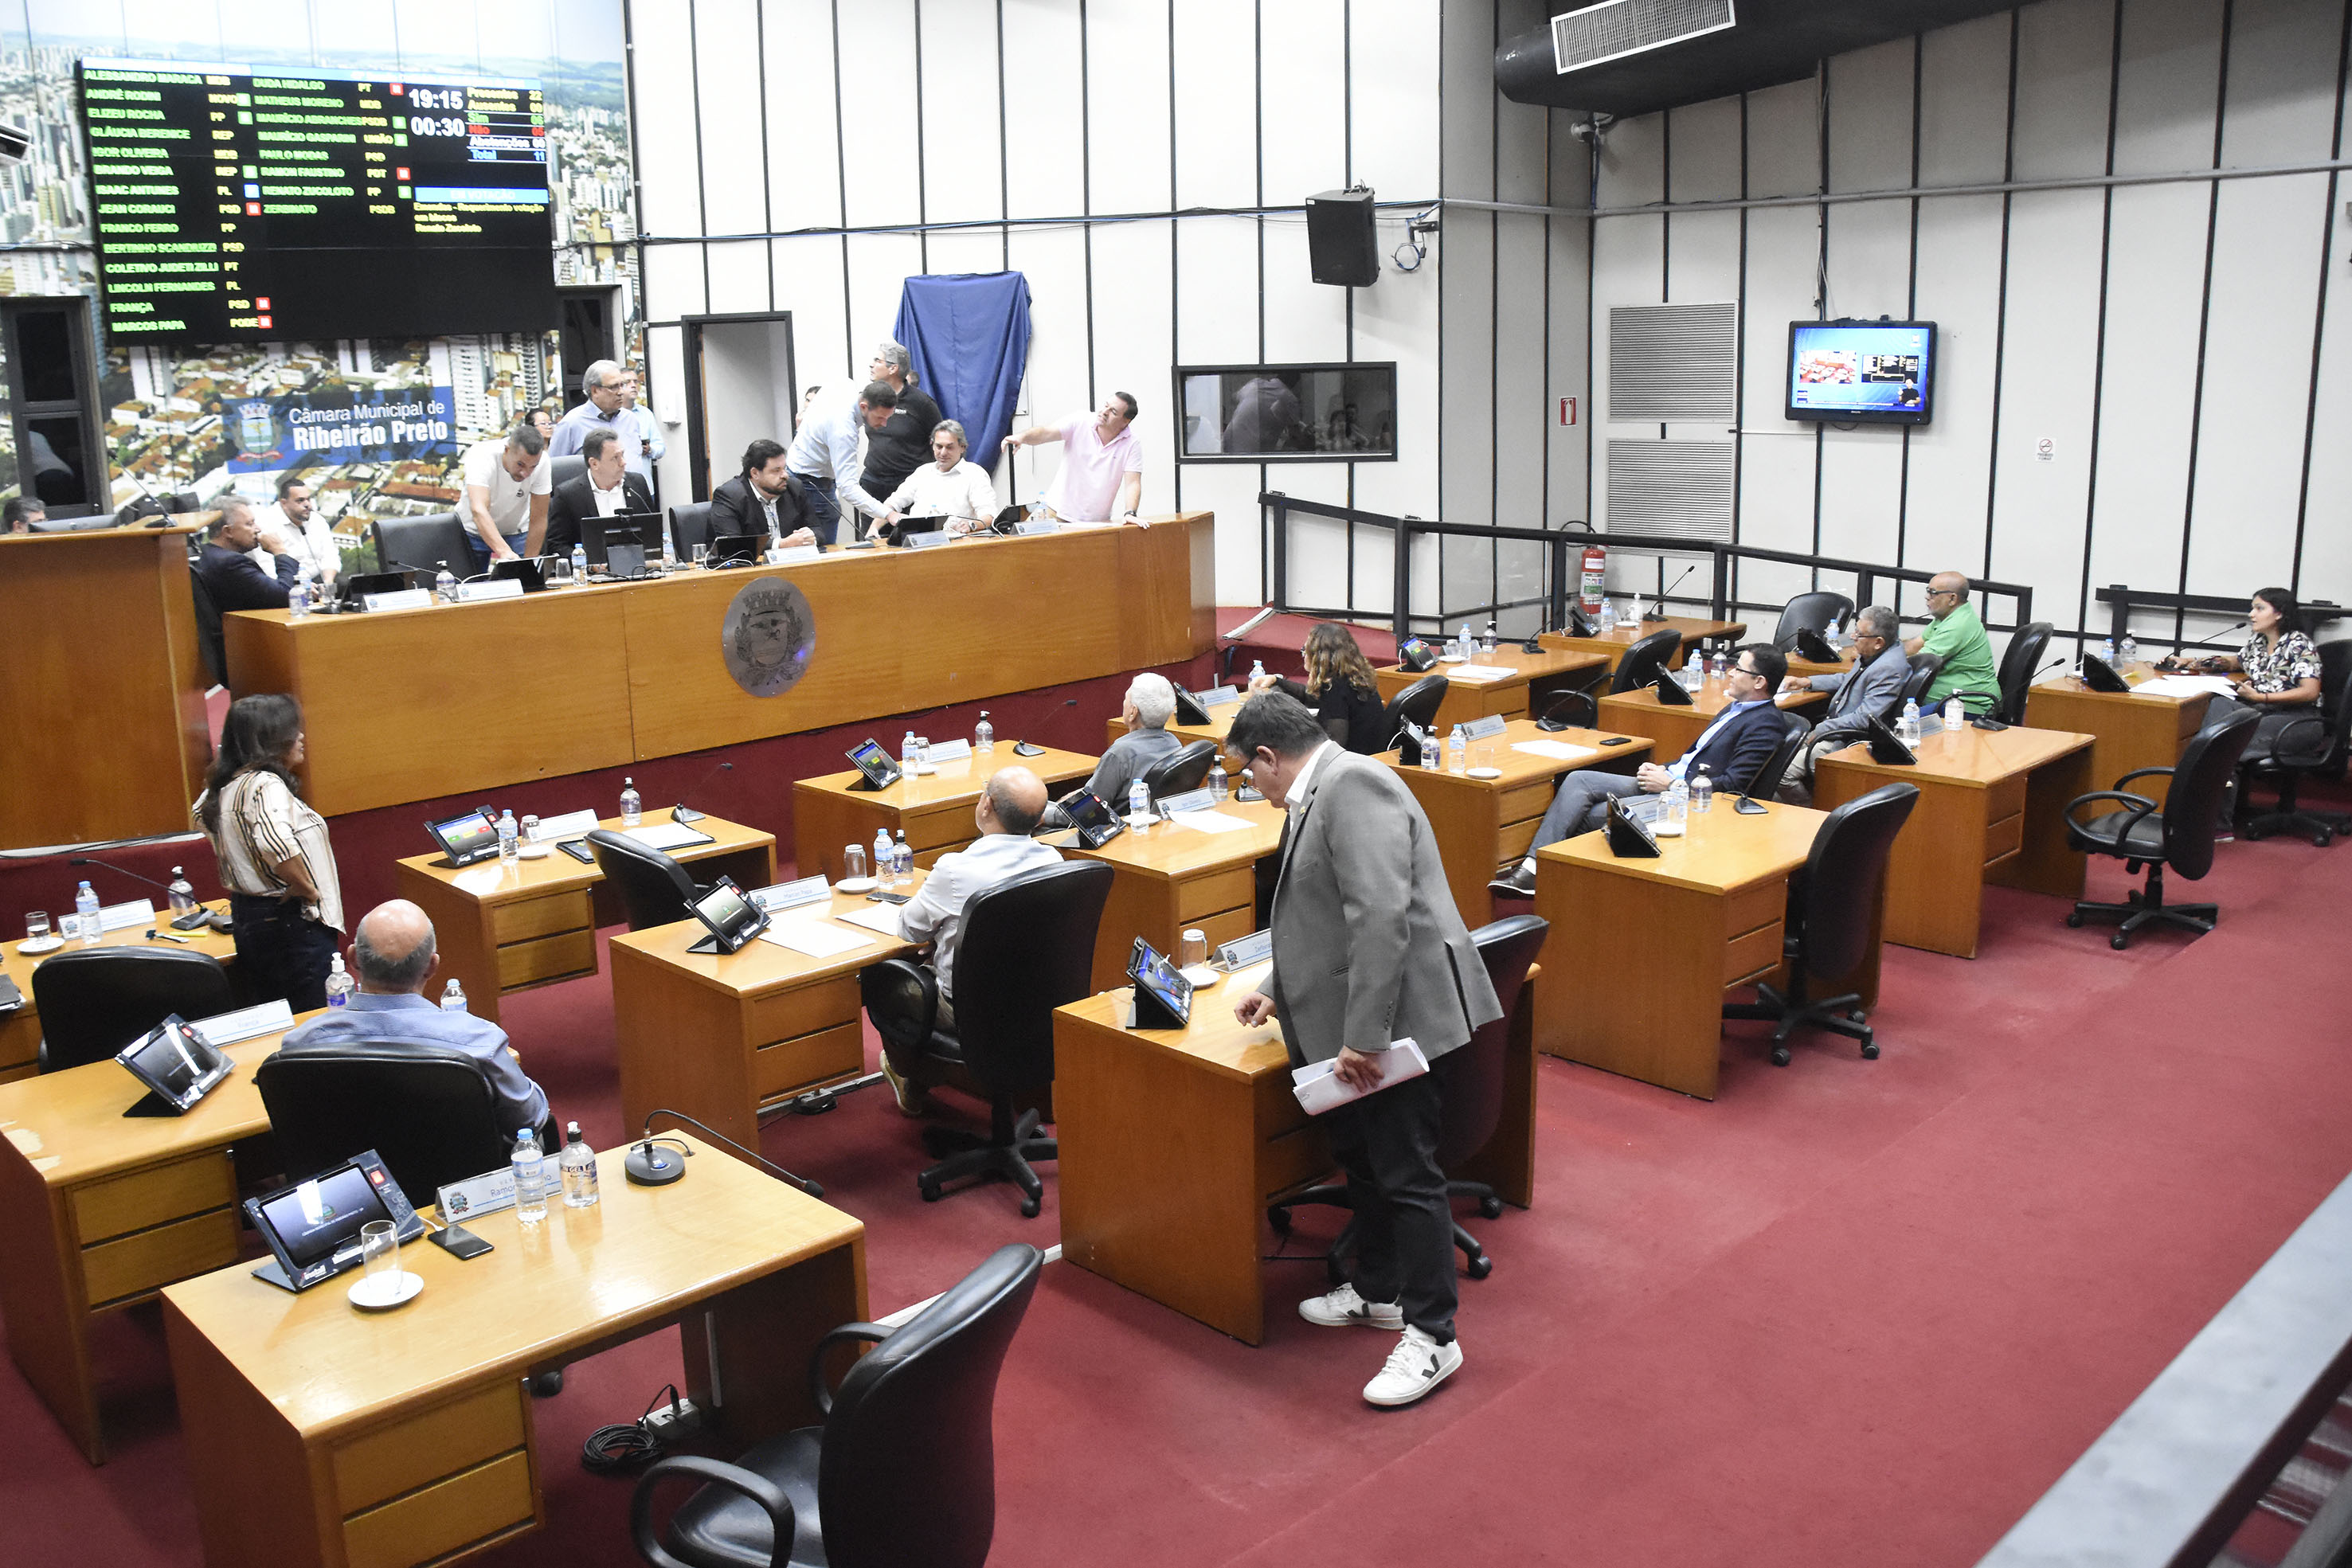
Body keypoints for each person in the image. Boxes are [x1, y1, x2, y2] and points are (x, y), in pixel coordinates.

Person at [1224, 692, 1501, 1409]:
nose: (1252, 789)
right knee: (1365, 1162)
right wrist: (1277, 986)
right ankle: (1378, 1289)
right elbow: (1322, 911)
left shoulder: (1354, 784)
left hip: (1390, 1024)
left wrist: (1363, 1038)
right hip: (1350, 1015)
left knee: (1406, 1173)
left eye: (1248, 774)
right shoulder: (1322, 788)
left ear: (1267, 756)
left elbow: (1379, 916)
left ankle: (1434, 1335)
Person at [1488, 643, 1790, 897]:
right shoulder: (1734, 708)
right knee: (1578, 779)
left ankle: (1557, 883)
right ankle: (1533, 869)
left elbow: (1733, 785)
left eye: (1739, 669)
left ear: (1759, 682)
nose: (1731, 673)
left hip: (1688, 802)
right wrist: (1663, 770)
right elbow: (1694, 757)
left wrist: (1671, 786)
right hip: (1669, 782)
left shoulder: (1766, 724)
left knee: (1596, 814)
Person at [273, 900, 551, 1137]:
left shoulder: (302, 1044)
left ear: (353, 958)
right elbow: (530, 1120)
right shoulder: (478, 1042)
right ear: (432, 966)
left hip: (354, 1190)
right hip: (458, 1187)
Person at [879, 767, 1062, 1114]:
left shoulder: (954, 869)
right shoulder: (1053, 861)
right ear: (1039, 821)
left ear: (986, 805)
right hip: (1036, 1005)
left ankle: (911, 1077)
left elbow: (908, 931)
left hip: (968, 1011)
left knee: (888, 981)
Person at [193, 694, 343, 1012]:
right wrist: (307, 888)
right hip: (291, 922)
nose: (301, 737)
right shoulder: (264, 784)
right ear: (271, 739)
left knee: (274, 1015)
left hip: (250, 916)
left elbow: (199, 817)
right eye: (293, 730)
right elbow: (275, 841)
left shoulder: (225, 785)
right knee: (316, 1017)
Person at [1775, 605, 1910, 804]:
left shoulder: (1888, 669)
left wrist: (1820, 730)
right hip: (1835, 728)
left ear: (1878, 642)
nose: (1853, 637)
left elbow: (1865, 719)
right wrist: (1808, 682)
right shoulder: (1875, 655)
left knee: (1782, 774)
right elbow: (1849, 679)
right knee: (1774, 752)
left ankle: (1813, 817)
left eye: (1859, 634)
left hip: (1847, 741)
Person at [1246, 622, 1391, 753]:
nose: (1303, 654)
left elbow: (1335, 745)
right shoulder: (1354, 677)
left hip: (1354, 765)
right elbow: (1310, 697)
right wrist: (1276, 680)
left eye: (1305, 649)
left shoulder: (1336, 688)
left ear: (1318, 656)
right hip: (1372, 757)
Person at [1004, 393, 1145, 526]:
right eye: (1105, 405)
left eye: (1113, 412)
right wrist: (1022, 437)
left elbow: (1132, 483)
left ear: (1126, 422)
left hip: (1097, 522)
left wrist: (1130, 512)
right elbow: (1045, 433)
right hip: (1055, 511)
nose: (1104, 412)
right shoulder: (1080, 421)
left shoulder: (1131, 443)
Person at [785, 381, 896, 545]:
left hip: (799, 469)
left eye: (888, 417)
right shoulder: (844, 430)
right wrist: (888, 514)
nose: (884, 424)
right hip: (811, 482)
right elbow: (848, 487)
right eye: (880, 417)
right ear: (864, 406)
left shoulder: (843, 385)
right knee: (824, 552)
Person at [545, 426, 654, 559]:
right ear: (594, 463)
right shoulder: (568, 494)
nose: (623, 463)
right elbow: (556, 545)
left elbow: (652, 531)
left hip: (638, 567)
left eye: (622, 455)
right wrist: (587, 563)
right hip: (592, 574)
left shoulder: (637, 484)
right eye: (615, 458)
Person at [877, 420, 1000, 538]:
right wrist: (874, 528)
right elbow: (893, 503)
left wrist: (971, 525)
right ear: (932, 445)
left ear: (962, 447)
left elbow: (989, 516)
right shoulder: (923, 472)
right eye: (939, 446)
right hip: (916, 543)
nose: (943, 453)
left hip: (955, 545)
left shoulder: (974, 474)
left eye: (949, 447)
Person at [859, 341, 945, 506]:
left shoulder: (922, 403)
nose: (871, 365)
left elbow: (941, 440)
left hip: (910, 486)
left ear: (893, 368)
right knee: (872, 533)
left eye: (878, 361)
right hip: (873, 483)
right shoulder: (868, 396)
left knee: (910, 532)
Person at [1904, 571, 2000, 715]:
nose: (1927, 597)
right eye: (1927, 591)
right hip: (1947, 701)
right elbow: (1914, 645)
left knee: (1895, 723)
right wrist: (1884, 649)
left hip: (1967, 706)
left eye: (1933, 593)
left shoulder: (1958, 625)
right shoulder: (1946, 617)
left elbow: (1917, 665)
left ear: (1952, 599)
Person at [459, 419, 551, 565]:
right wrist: (504, 551)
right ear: (507, 450)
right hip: (474, 532)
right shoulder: (481, 454)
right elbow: (479, 509)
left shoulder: (544, 461)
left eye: (532, 467)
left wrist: (528, 564)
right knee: (472, 584)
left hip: (516, 531)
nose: (525, 473)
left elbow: (539, 518)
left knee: (526, 581)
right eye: (520, 464)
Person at [194, 495, 298, 612]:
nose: (258, 529)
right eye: (249, 524)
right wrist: (279, 551)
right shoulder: (232, 563)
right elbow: (287, 596)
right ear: (228, 531)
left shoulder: (204, 553)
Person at [711, 437, 815, 548]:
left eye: (784, 468)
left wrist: (809, 536)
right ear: (755, 473)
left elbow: (817, 529)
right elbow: (732, 545)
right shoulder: (729, 496)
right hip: (752, 564)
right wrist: (781, 544)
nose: (785, 475)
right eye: (776, 470)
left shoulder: (794, 488)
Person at [252, 472, 339, 588]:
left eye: (308, 499)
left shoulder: (317, 520)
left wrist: (328, 582)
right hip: (286, 585)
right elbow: (267, 568)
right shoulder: (266, 523)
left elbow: (330, 555)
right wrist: (301, 586)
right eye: (300, 501)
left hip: (319, 581)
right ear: (284, 503)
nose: (307, 505)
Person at [546, 359, 631, 461]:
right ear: (594, 391)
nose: (621, 392)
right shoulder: (571, 424)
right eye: (614, 387)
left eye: (622, 385)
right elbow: (556, 468)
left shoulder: (630, 419)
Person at [620, 369, 664, 481]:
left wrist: (649, 450)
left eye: (636, 381)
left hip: (644, 484)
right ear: (618, 387)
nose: (633, 385)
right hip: (619, 483)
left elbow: (660, 448)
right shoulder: (611, 415)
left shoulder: (646, 414)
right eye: (628, 382)